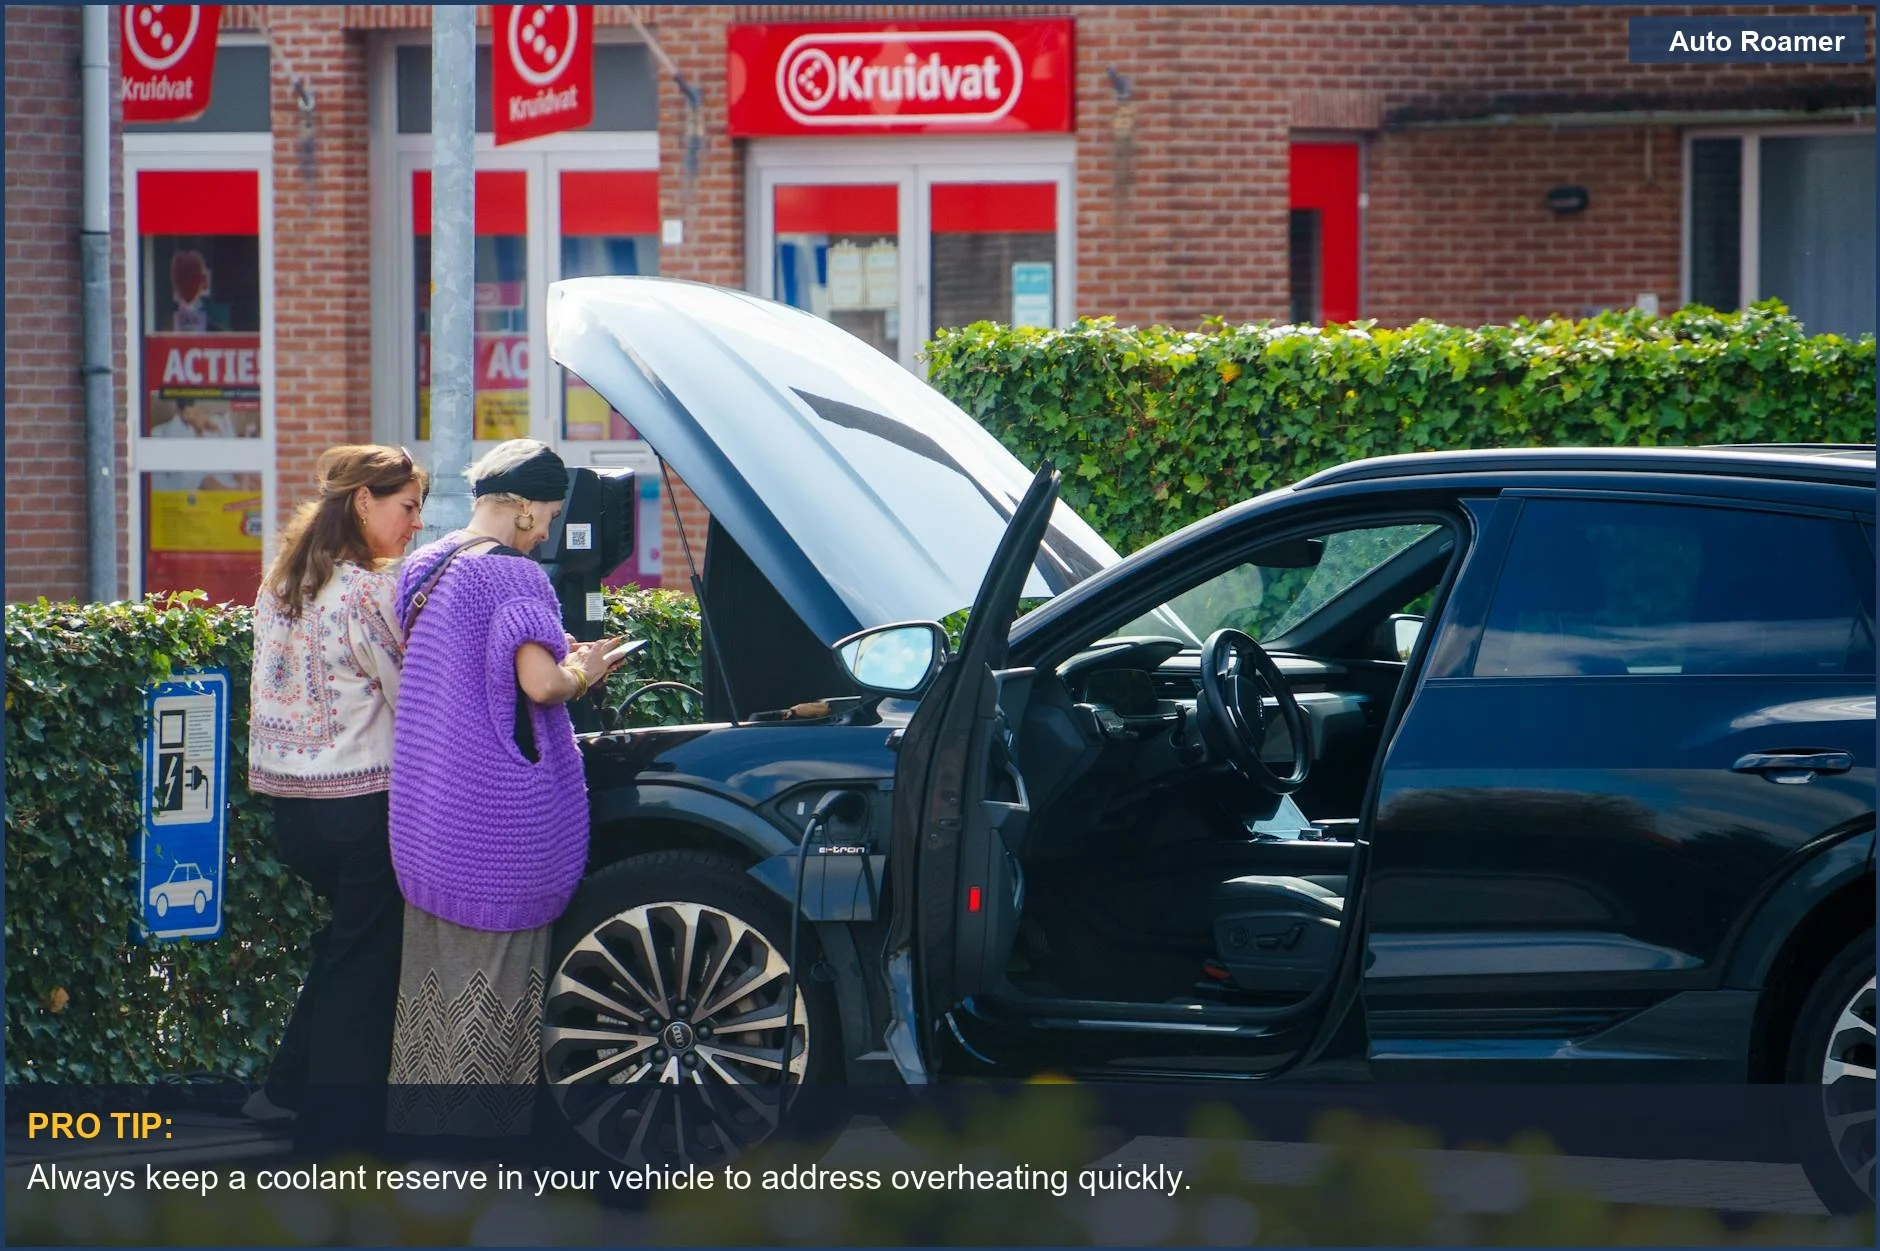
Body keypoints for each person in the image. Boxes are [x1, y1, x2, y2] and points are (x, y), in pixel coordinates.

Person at [385, 439, 628, 1148]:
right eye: (548, 515)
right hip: (498, 828)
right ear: (522, 504)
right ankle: (475, 1159)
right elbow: (540, 686)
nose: (548, 530)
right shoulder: (514, 578)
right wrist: (585, 667)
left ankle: (422, 1151)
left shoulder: (427, 565)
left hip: (430, 817)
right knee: (496, 998)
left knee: (431, 998)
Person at [245, 444, 429, 1155]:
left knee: (345, 942)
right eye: (406, 506)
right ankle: (335, 1135)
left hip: (293, 812)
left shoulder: (279, 585)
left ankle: (284, 1088)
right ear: (364, 501)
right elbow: (410, 693)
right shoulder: (365, 593)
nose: (414, 523)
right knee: (365, 960)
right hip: (362, 804)